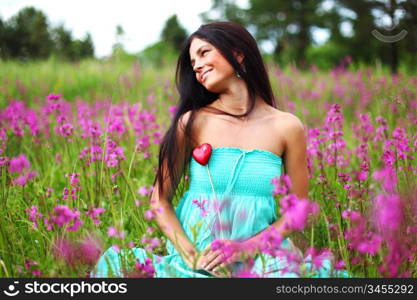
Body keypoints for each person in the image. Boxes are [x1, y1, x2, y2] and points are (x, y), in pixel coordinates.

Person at [91, 21, 348, 278]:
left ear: (238, 54)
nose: (198, 66)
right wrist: (190, 256)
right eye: (193, 62)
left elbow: (298, 209)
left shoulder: (286, 126)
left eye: (204, 53)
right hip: (203, 258)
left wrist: (246, 248)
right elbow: (159, 200)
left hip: (262, 257)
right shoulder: (191, 123)